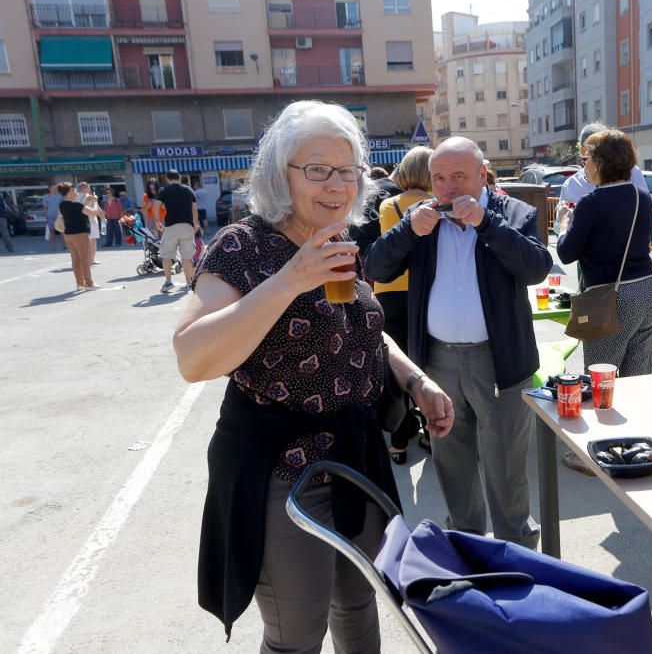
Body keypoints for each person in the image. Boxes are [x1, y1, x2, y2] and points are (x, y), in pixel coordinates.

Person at [172, 99, 454, 652]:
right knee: (297, 632)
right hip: (283, 473)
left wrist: (416, 380)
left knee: (360, 600)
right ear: (281, 174)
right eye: (318, 169)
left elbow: (364, 330)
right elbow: (192, 358)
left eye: (347, 170)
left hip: (355, 459)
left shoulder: (339, 238)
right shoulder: (242, 247)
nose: (337, 184)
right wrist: (289, 280)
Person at [366, 136, 552, 549]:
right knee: (452, 462)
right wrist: (407, 232)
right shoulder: (421, 218)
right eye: (439, 178)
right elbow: (375, 265)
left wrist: (487, 224)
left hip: (499, 362)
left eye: (458, 177)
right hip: (439, 360)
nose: (447, 188)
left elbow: (537, 268)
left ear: (483, 175)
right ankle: (467, 546)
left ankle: (517, 551)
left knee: (506, 465)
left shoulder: (512, 212)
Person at [556, 129, 652, 473]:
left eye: (587, 159)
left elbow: (567, 252)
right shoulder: (642, 197)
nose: (585, 165)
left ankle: (599, 453)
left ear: (599, 162)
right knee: (637, 374)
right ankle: (637, 444)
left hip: (611, 297)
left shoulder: (590, 202)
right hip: (648, 289)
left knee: (602, 379)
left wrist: (563, 224)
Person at [375, 145, 434, 463]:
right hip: (424, 292)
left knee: (396, 369)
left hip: (388, 293)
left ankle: (397, 443)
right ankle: (430, 433)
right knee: (425, 365)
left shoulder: (388, 206)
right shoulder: (435, 206)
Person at [557, 122, 650, 214]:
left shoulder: (633, 172)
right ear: (583, 151)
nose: (606, 156)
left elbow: (649, 214)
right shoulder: (570, 185)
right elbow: (558, 225)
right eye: (598, 151)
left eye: (609, 149)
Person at [151, 169, 198, 293]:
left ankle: (168, 282)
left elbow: (155, 206)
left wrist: (157, 221)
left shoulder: (164, 191)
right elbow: (194, 208)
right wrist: (195, 223)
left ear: (167, 179)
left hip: (171, 227)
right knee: (187, 256)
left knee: (167, 255)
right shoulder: (188, 190)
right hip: (187, 226)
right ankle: (189, 282)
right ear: (180, 177)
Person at [57, 181, 101, 290]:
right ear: (70, 191)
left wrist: (87, 202)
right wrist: (94, 202)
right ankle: (89, 283)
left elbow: (79, 210)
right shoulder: (76, 205)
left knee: (76, 260)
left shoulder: (63, 204)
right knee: (85, 259)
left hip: (68, 235)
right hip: (80, 234)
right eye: (74, 190)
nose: (76, 192)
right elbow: (93, 212)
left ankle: (80, 284)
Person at [78, 182, 105, 265]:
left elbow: (98, 207)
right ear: (82, 189)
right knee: (88, 241)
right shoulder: (80, 197)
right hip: (86, 221)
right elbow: (83, 207)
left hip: (92, 220)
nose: (89, 189)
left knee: (93, 241)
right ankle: (87, 259)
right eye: (87, 187)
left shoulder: (91, 196)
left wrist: (103, 218)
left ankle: (92, 259)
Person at [43, 184, 65, 251]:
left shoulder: (60, 197)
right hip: (50, 216)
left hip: (59, 216)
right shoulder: (46, 197)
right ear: (49, 189)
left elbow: (62, 206)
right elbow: (45, 207)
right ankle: (53, 246)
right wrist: (46, 215)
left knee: (62, 231)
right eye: (53, 188)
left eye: (55, 188)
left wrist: (63, 215)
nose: (55, 189)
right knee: (52, 232)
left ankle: (64, 245)